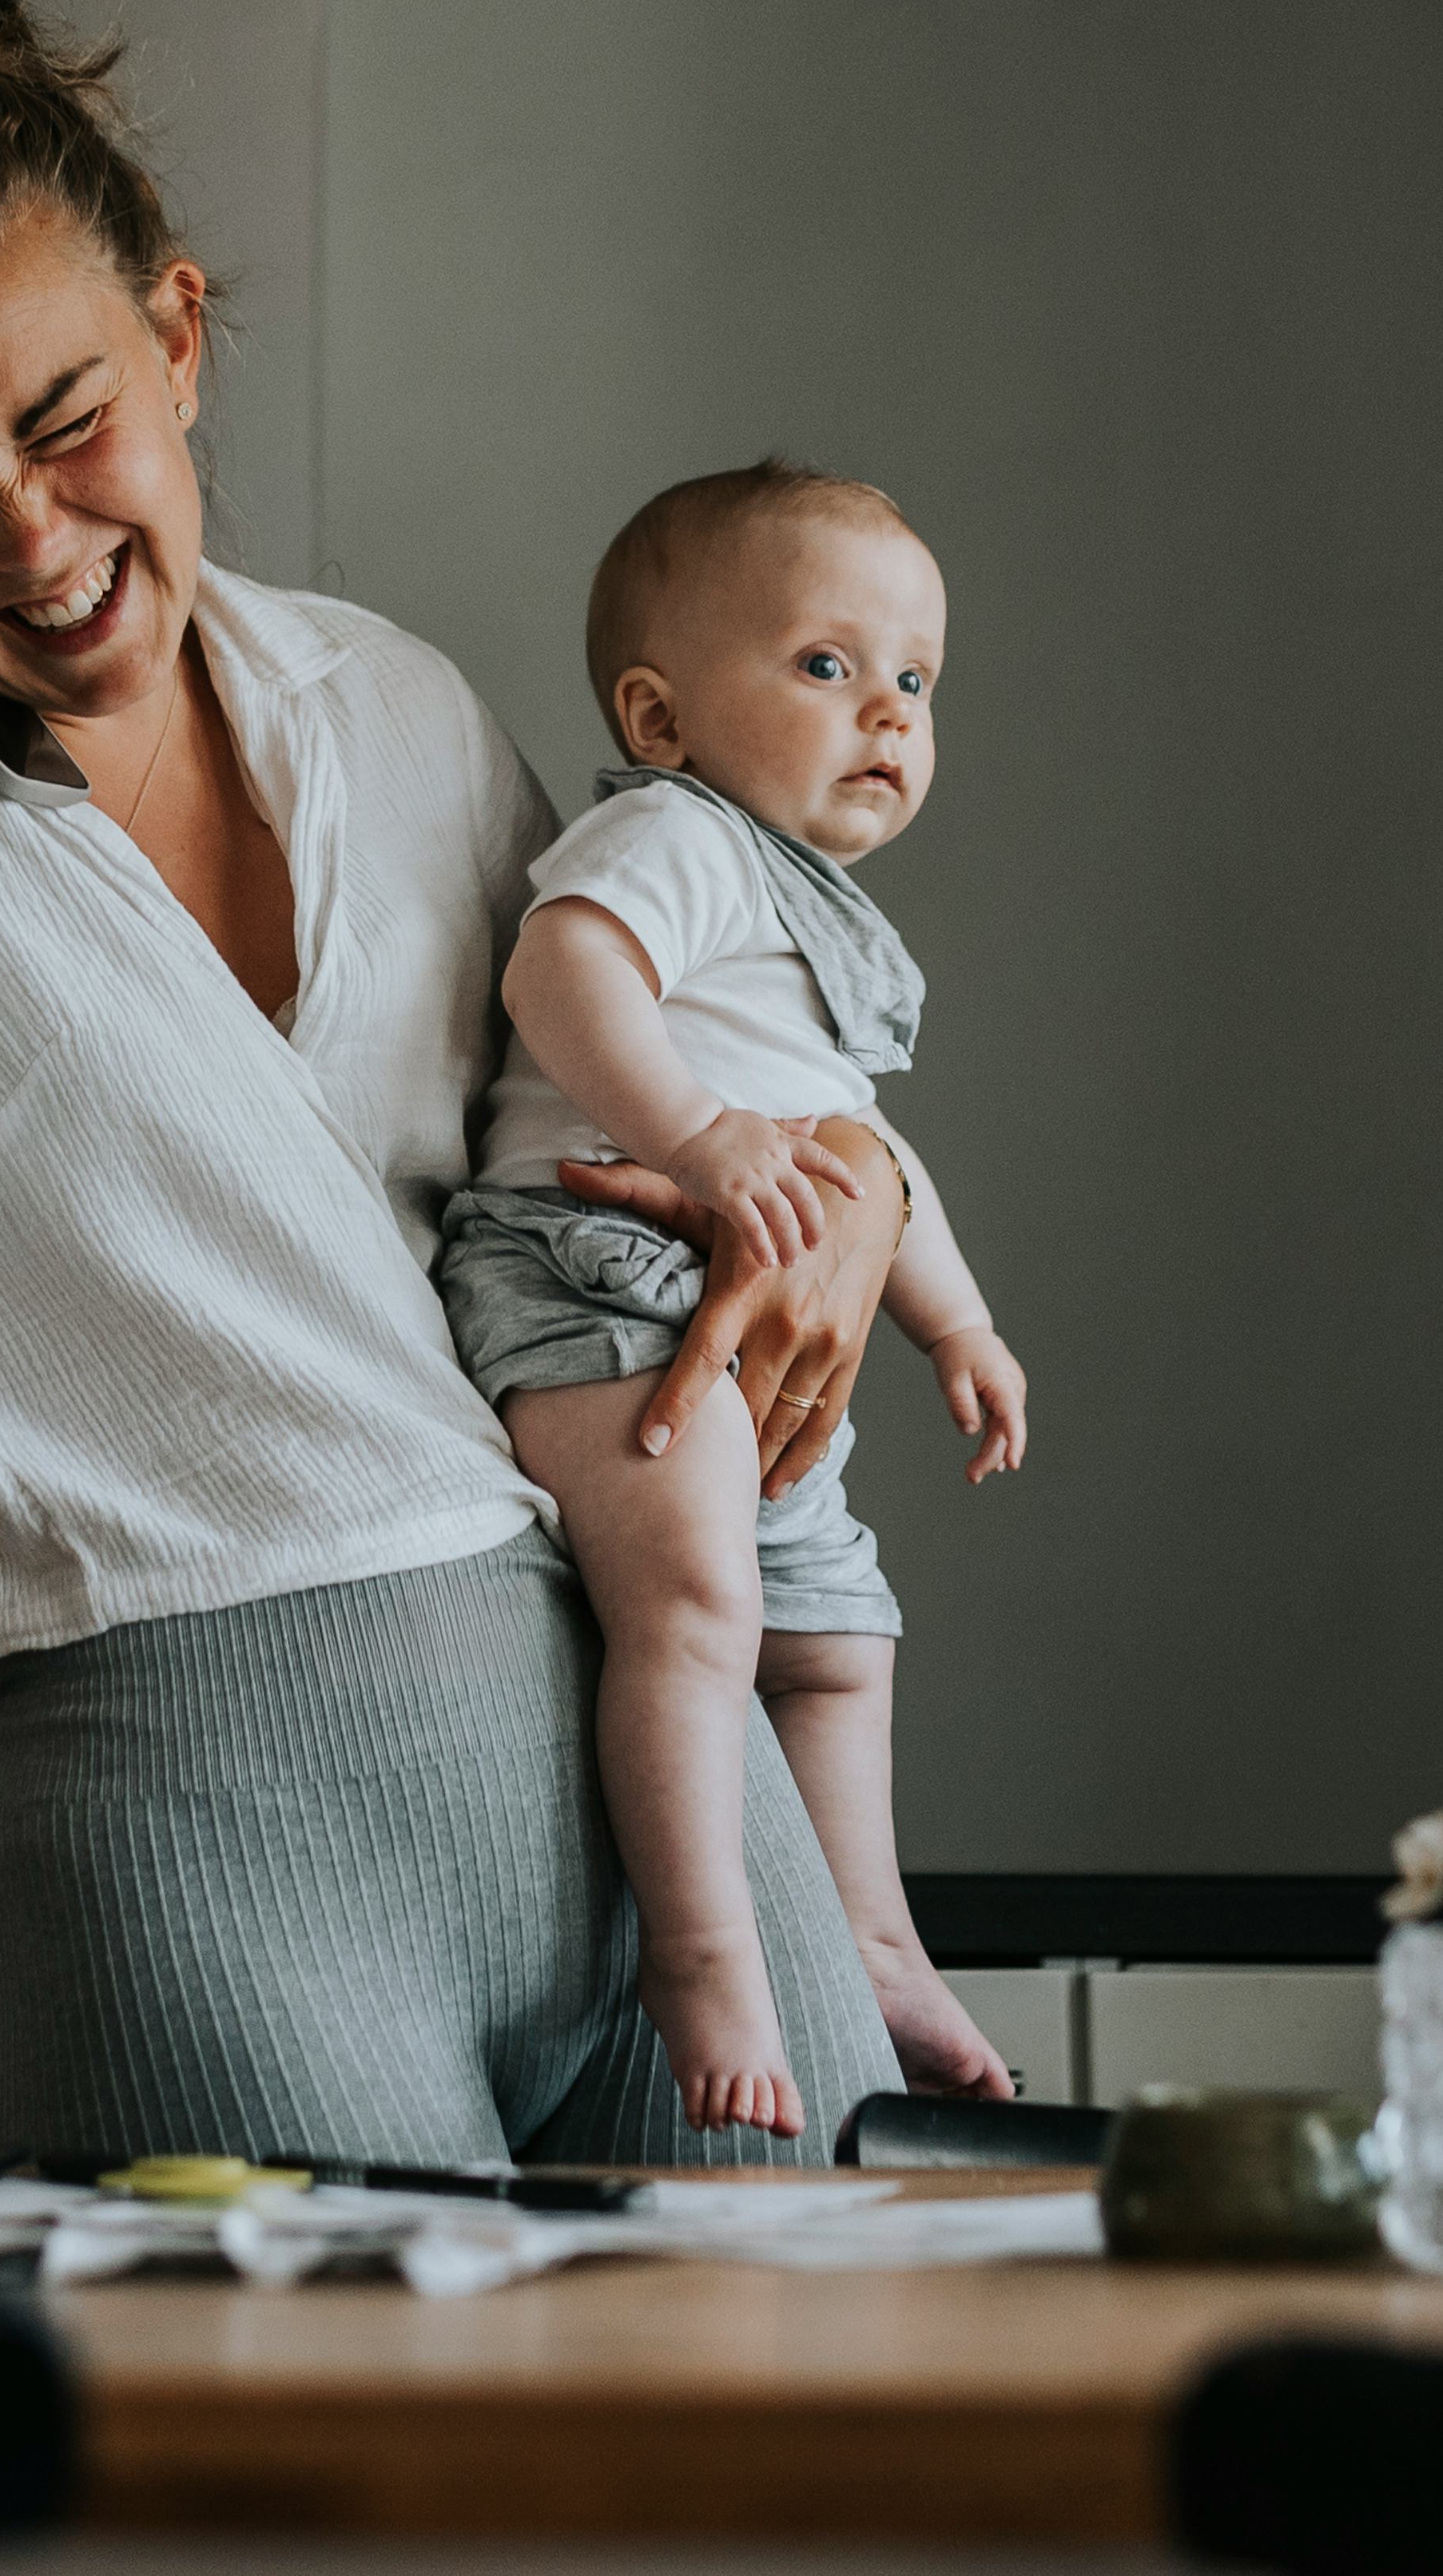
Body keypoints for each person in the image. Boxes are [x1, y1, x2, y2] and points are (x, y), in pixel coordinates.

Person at [0, 0, 908, 2168]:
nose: (26, 539)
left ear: (174, 332)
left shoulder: (399, 708)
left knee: (843, 2389)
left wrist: (846, 1206)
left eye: (65, 424)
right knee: (310, 2419)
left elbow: (629, 1100)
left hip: (674, 1784)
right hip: (217, 1831)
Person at [433, 463, 1032, 2135]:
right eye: (827, 664)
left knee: (836, 1643)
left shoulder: (804, 905)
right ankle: (699, 1957)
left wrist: (955, 1323)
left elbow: (863, 1148)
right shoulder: (676, 833)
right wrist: (697, 1133)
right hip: (597, 1276)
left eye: (915, 678)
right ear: (661, 715)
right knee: (698, 1609)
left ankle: (874, 1940)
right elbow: (562, 966)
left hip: (735, 1310)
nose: (888, 711)